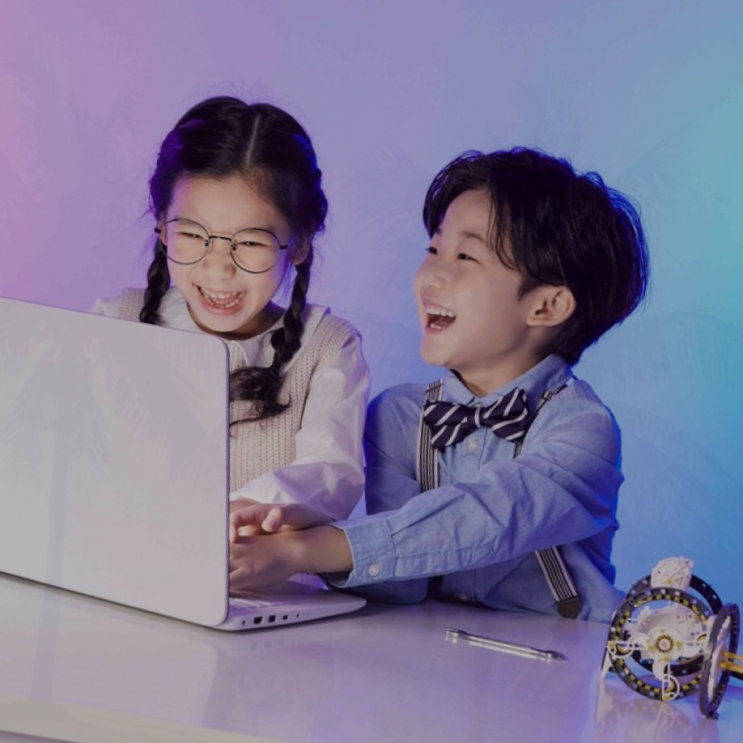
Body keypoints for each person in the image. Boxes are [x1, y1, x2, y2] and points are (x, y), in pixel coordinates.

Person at [228, 147, 649, 621]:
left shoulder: (582, 427)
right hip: (441, 651)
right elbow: (402, 585)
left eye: (465, 255)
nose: (430, 277)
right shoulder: (400, 415)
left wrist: (311, 549)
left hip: (568, 652)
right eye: (433, 249)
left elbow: (488, 516)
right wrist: (309, 527)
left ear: (547, 306)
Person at [92, 96, 371, 572]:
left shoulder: (327, 348)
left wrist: (241, 515)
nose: (219, 267)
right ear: (162, 226)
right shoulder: (115, 322)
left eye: (250, 242)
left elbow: (330, 475)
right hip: (115, 573)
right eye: (192, 234)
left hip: (251, 590)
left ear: (300, 243)